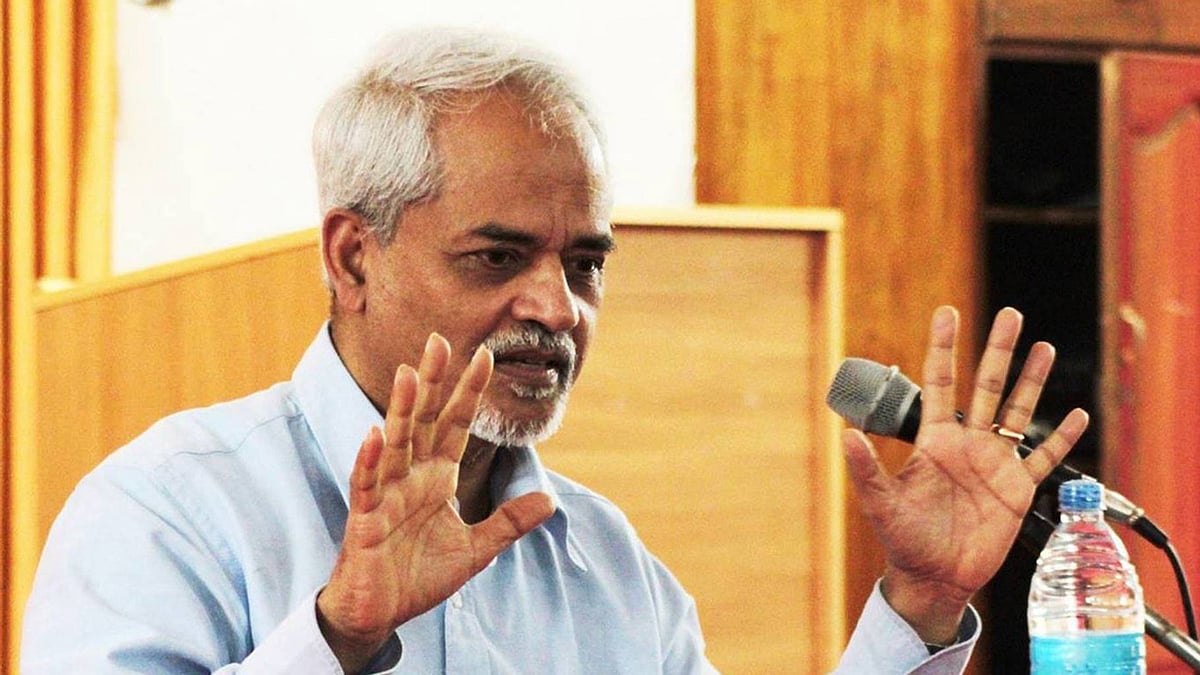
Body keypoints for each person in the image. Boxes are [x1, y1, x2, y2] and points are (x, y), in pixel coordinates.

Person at [21, 27, 1088, 674]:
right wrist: (336, 638)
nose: (557, 307)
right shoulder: (171, 509)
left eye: (585, 264)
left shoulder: (607, 563)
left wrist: (918, 601)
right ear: (353, 257)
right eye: (497, 257)